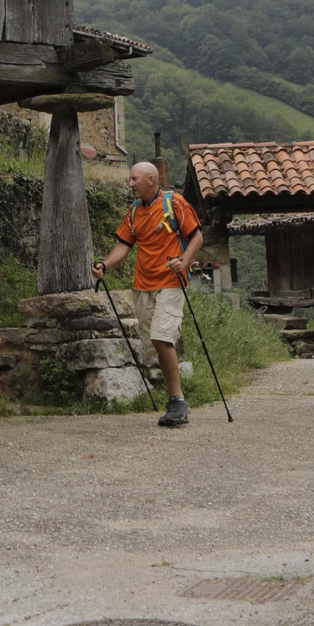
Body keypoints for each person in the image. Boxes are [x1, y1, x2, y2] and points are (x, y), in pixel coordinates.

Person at [93, 161, 202, 427]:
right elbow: (124, 244)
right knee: (153, 344)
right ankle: (173, 399)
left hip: (171, 282)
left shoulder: (174, 203)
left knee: (161, 336)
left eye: (134, 179)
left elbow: (197, 237)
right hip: (143, 284)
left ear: (151, 180)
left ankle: (178, 401)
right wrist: (104, 265)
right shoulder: (133, 211)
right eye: (130, 179)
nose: (130, 184)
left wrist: (184, 261)